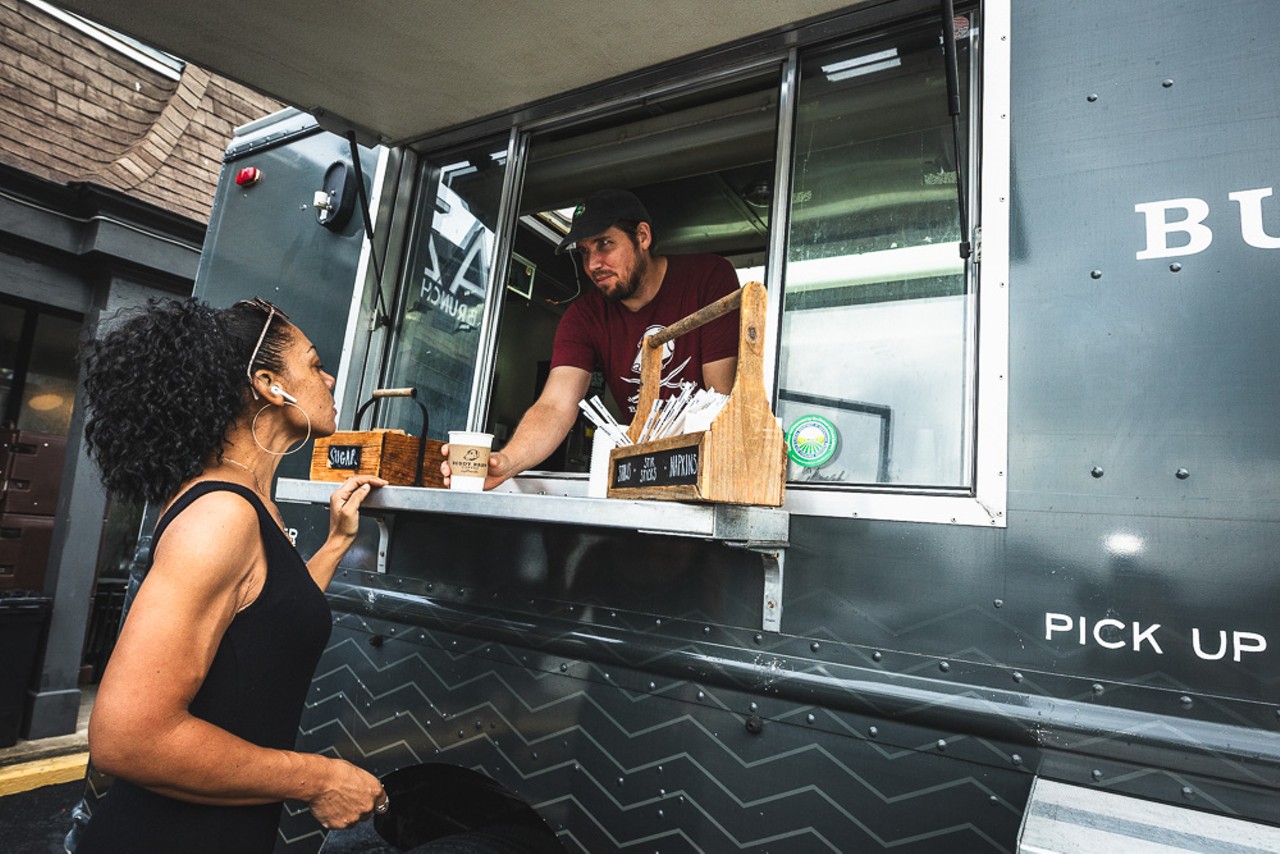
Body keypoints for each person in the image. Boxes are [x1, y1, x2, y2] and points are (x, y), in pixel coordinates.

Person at [74, 296, 390, 853]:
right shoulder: (221, 515)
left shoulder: (250, 503)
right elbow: (127, 739)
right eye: (314, 364)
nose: (330, 376)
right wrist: (319, 779)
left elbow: (264, 629)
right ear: (271, 385)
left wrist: (337, 542)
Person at [444, 188, 740, 489]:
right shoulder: (584, 316)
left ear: (642, 236)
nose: (593, 264)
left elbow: (720, 398)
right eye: (585, 251)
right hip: (645, 470)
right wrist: (506, 463)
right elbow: (556, 405)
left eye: (604, 244)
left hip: (712, 468)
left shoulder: (708, 277)